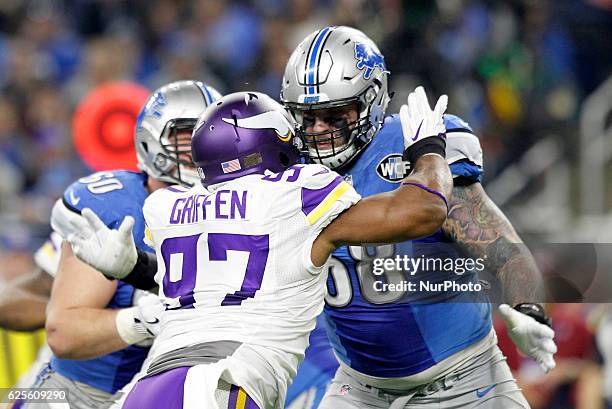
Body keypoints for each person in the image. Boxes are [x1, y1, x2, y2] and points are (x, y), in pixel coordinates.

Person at [65, 88, 452, 409]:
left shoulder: (168, 206)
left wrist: (134, 268)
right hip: (222, 384)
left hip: (150, 389)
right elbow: (423, 211)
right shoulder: (294, 194)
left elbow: (210, 286)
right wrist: (428, 150)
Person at [280, 26, 557, 408]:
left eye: (335, 115)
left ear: (373, 100)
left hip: (465, 380)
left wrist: (528, 308)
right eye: (308, 118)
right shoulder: (287, 171)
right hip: (359, 389)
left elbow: (504, 250)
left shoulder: (414, 147)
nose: (320, 131)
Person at [18, 80, 221, 409]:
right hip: (84, 395)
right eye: (187, 136)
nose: (202, 149)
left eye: (211, 136)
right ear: (151, 140)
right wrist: (145, 320)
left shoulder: (236, 207)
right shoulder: (115, 207)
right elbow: (64, 332)